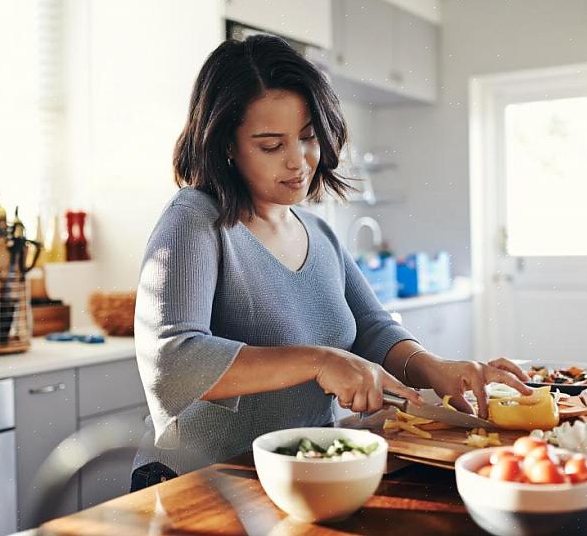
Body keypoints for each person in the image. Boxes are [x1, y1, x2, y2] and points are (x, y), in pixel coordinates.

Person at [131, 35, 531, 489]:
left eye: (308, 138)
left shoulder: (316, 231)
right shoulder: (194, 220)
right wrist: (319, 360)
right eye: (270, 145)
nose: (299, 161)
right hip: (199, 480)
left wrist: (435, 369)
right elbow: (172, 359)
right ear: (226, 144)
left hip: (295, 474)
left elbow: (373, 330)